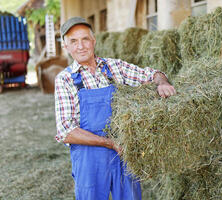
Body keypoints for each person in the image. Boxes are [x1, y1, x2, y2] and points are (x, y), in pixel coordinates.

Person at [54, 17, 176, 200]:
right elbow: (66, 131)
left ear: (94, 41)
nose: (80, 46)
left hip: (123, 153)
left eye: (85, 39)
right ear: (66, 46)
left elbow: (152, 74)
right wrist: (110, 143)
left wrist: (162, 83)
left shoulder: (114, 67)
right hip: (89, 158)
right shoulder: (65, 79)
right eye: (73, 41)